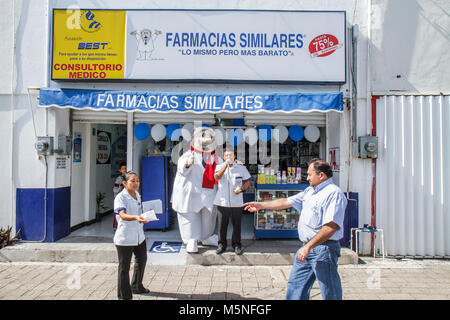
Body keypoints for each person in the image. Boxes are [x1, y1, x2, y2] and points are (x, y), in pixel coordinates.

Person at [243, 159, 347, 300]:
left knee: (330, 291)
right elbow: (286, 201)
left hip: (323, 249)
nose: (307, 178)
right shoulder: (310, 191)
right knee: (295, 286)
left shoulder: (333, 193)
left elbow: (331, 226)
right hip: (307, 248)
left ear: (321, 175)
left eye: (310, 175)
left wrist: (309, 246)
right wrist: (261, 205)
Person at [114, 171, 150, 300]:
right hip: (125, 238)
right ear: (124, 183)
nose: (136, 183)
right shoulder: (121, 197)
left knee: (141, 260)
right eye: (132, 181)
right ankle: (124, 296)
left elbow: (139, 212)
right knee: (124, 267)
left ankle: (136, 286)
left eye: (137, 181)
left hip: (139, 236)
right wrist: (136, 217)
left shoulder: (137, 195)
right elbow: (122, 215)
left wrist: (146, 216)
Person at [213, 149, 251, 255]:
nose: (228, 157)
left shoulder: (241, 168)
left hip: (237, 202)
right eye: (226, 155)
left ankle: (237, 245)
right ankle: (221, 245)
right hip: (222, 201)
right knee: (222, 225)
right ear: (224, 157)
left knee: (237, 225)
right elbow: (216, 177)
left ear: (234, 157)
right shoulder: (219, 167)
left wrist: (242, 189)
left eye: (231, 155)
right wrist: (225, 166)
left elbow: (248, 182)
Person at [113, 162, 127, 230]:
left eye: (125, 168)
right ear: (120, 170)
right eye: (123, 169)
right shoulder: (118, 179)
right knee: (118, 214)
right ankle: (116, 228)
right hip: (119, 198)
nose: (124, 170)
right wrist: (121, 185)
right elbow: (115, 190)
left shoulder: (129, 178)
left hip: (127, 198)